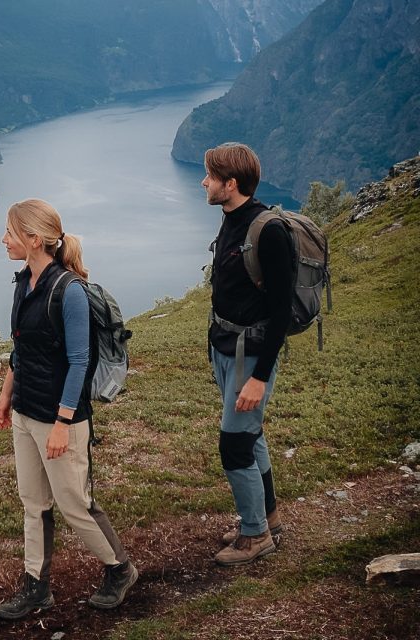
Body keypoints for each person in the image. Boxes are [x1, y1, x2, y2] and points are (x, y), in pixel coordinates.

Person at [0, 198, 138, 619]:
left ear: (34, 239)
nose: (4, 240)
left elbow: (79, 362)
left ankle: (121, 570)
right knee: (32, 502)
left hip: (61, 421)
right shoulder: (24, 282)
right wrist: (6, 397)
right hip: (25, 413)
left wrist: (61, 422)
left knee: (74, 503)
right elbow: (20, 348)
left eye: (10, 233)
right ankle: (36, 588)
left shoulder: (69, 291)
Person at [202, 143, 293, 566]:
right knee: (250, 435)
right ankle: (266, 516)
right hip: (226, 350)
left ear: (230, 184)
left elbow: (281, 313)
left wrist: (260, 376)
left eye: (210, 176)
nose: (204, 182)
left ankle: (255, 536)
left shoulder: (267, 231)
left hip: (251, 358)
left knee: (234, 444)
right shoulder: (231, 220)